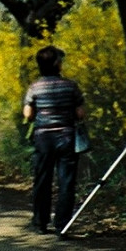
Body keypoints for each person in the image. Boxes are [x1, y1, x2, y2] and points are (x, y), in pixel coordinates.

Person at [23, 45, 86, 235]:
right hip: (66, 137)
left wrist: (38, 115)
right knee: (66, 182)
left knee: (42, 180)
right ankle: (62, 225)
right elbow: (80, 113)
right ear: (57, 64)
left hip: (44, 138)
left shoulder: (35, 87)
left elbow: (28, 114)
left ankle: (40, 223)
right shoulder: (71, 85)